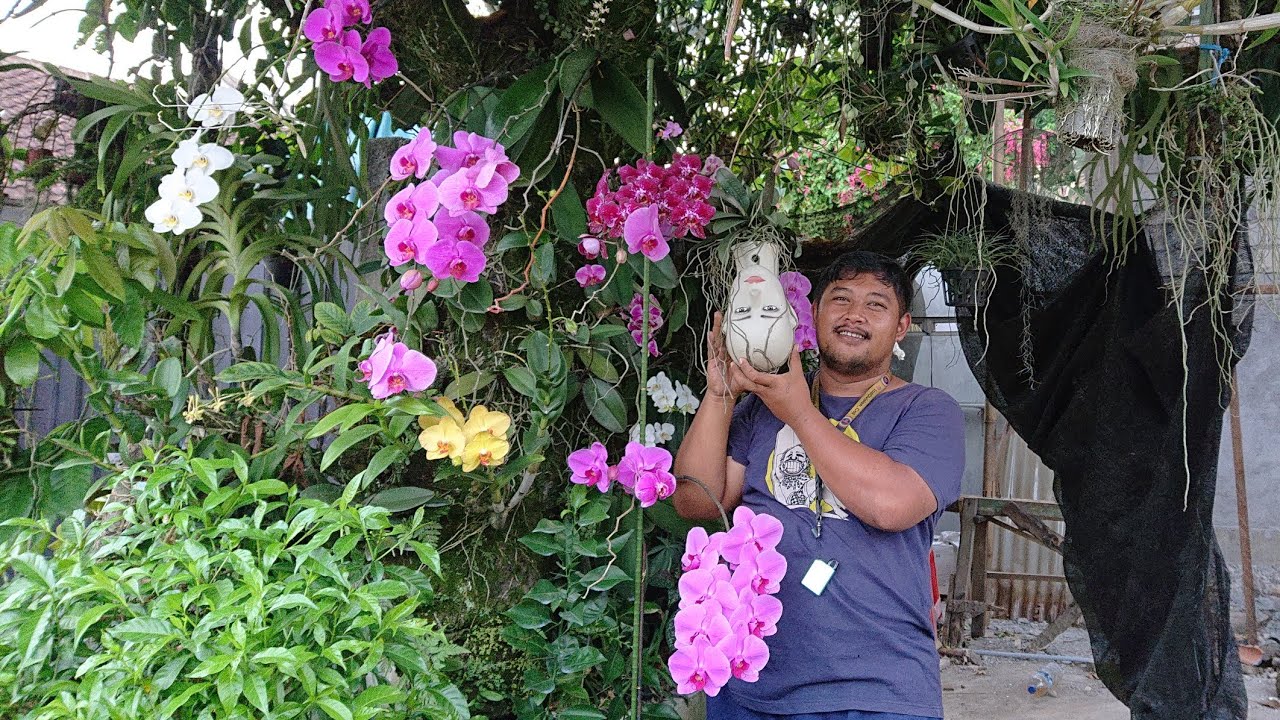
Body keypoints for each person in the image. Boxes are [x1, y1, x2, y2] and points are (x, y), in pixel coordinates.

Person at [673, 251, 965, 720]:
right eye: (841, 299)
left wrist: (799, 413)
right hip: (752, 688)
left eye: (876, 305)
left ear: (902, 326)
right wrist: (721, 394)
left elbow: (892, 505)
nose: (855, 315)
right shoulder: (763, 407)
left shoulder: (928, 410)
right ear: (811, 314)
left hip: (878, 692)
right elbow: (694, 500)